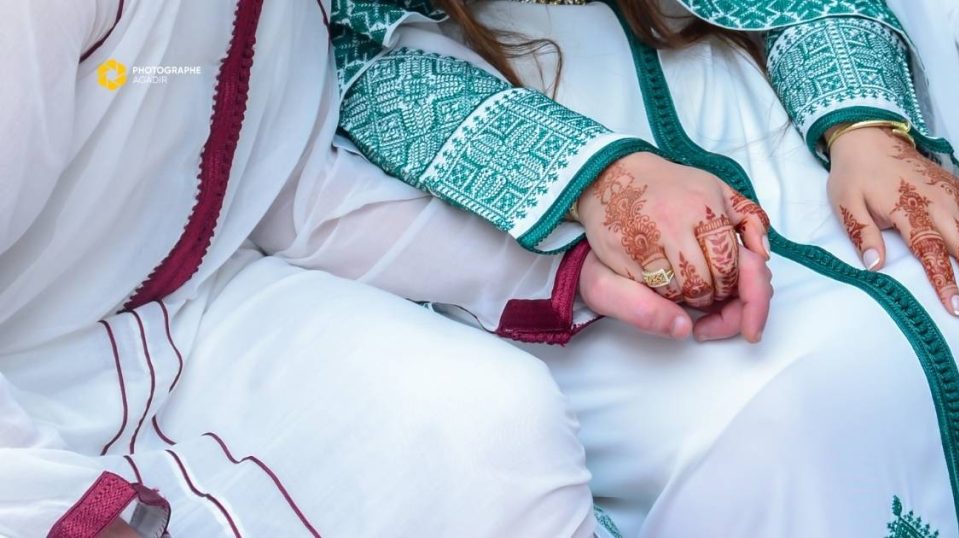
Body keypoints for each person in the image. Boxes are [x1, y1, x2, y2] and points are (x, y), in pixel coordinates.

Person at [275, 1, 959, 536]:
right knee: (783, 410)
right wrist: (599, 179)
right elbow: (347, 70)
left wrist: (865, 126)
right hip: (528, 224)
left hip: (724, 69)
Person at [0, 0, 666, 536]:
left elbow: (292, 188)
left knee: (492, 420)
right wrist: (62, 513)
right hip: (24, 375)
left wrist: (560, 273)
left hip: (196, 311)